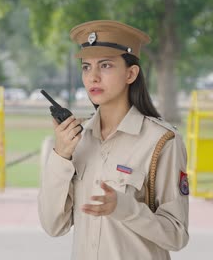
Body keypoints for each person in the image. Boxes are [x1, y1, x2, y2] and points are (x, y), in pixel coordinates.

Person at [38, 20, 189, 260]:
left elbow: (176, 235)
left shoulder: (162, 141)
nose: (93, 77)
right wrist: (61, 155)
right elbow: (53, 225)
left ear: (131, 73)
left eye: (105, 65)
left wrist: (125, 208)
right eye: (86, 67)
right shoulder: (78, 139)